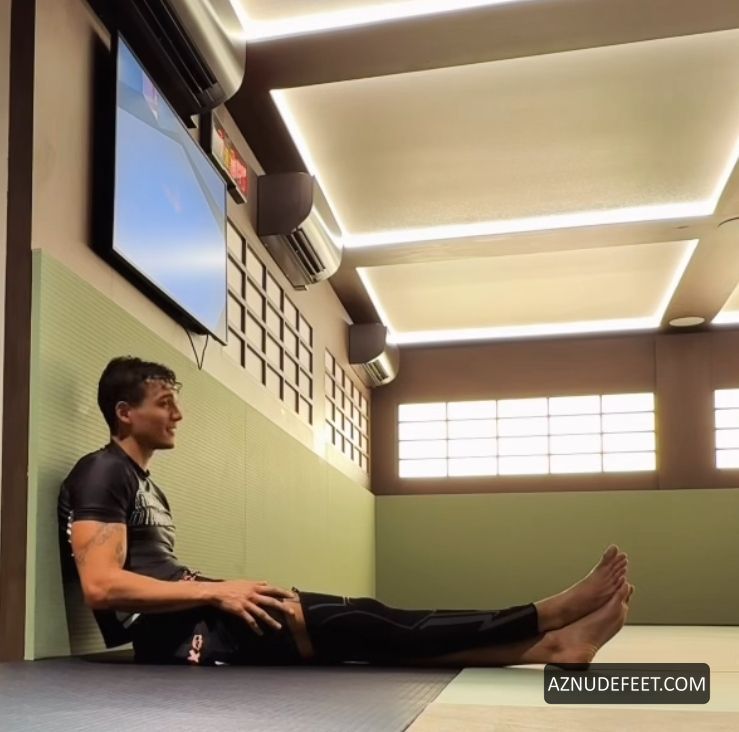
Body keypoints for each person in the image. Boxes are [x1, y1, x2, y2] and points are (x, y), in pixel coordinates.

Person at [58, 356, 634, 668]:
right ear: (125, 412)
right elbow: (102, 587)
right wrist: (218, 592)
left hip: (198, 610)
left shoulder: (144, 484)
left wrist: (219, 590)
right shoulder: (103, 471)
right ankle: (545, 615)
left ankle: (550, 645)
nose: (178, 415)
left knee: (364, 626)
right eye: (165, 404)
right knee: (366, 626)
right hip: (180, 634)